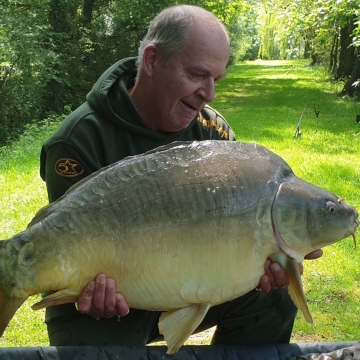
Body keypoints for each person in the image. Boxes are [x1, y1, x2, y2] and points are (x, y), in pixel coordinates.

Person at [40, 4, 322, 348]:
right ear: (152, 60)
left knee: (274, 299)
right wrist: (89, 292)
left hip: (192, 282)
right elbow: (63, 244)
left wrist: (270, 257)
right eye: (197, 74)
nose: (209, 93)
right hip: (107, 300)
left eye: (216, 80)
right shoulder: (80, 139)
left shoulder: (211, 132)